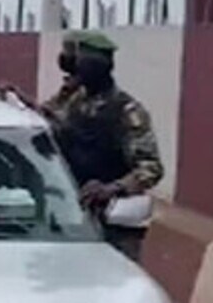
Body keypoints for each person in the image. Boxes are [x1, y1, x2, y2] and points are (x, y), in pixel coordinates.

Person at [42, 31, 163, 263]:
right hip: (73, 215)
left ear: (102, 67)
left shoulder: (127, 111)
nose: (76, 71)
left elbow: (150, 168)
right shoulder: (74, 101)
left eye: (83, 64)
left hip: (114, 220)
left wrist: (112, 188)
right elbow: (50, 122)